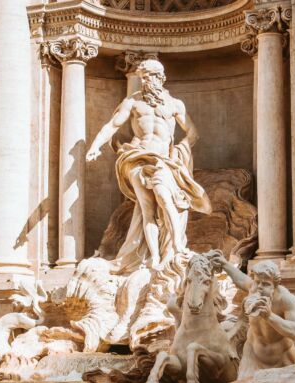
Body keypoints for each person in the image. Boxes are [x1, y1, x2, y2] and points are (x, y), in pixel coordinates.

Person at [87, 59, 211, 273]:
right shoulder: (133, 102)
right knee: (147, 211)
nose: (145, 81)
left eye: (150, 76)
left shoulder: (175, 104)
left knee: (165, 198)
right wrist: (95, 145)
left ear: (161, 77)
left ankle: (178, 247)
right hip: (137, 157)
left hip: (164, 160)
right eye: (143, 77)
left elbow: (193, 132)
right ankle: (153, 258)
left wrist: (180, 152)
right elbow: (113, 125)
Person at [209, 251, 295, 379]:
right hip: (252, 357)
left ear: (275, 285)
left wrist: (270, 316)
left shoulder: (286, 299)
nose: (259, 287)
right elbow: (241, 278)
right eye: (257, 282)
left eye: (265, 284)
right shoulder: (253, 288)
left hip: (283, 359)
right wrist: (224, 263)